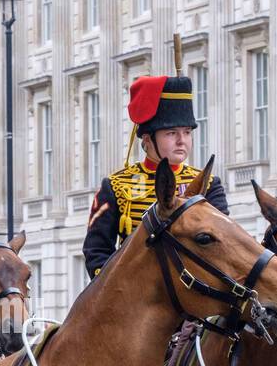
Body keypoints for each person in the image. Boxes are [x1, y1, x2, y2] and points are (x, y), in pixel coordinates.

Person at [83, 73, 228, 278]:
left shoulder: (209, 184)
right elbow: (96, 252)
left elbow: (222, 243)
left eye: (187, 132)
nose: (182, 140)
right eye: (171, 133)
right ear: (148, 139)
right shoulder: (115, 186)